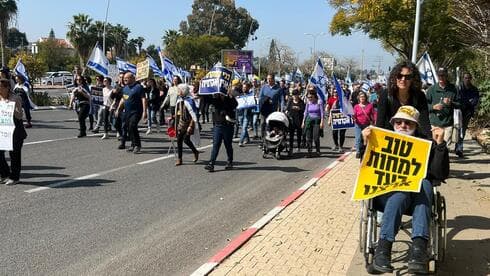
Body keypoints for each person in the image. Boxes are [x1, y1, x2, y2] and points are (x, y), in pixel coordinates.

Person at [362, 105, 449, 274]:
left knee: (425, 183)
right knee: (401, 191)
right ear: (393, 124)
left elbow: (439, 174)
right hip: (385, 195)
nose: (403, 125)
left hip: (417, 198)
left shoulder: (426, 145)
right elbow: (366, 171)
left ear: (416, 126)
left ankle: (418, 250)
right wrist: (366, 143)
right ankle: (383, 249)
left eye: (408, 123)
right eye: (399, 122)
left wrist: (439, 145)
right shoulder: (381, 140)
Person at [376, 61, 431, 139]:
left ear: (413, 79)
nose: (403, 79)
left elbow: (425, 123)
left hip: (412, 139)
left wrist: (430, 141)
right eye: (399, 76)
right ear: (395, 77)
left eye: (407, 77)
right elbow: (380, 123)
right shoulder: (386, 95)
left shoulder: (419, 96)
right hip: (389, 138)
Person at [0, 78, 28, 185]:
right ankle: (4, 173)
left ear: (7, 88)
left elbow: (20, 116)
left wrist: (13, 108)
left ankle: (15, 177)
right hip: (3, 130)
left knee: (14, 155)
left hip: (15, 130)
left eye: (1, 87)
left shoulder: (15, 98)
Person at [205, 90, 238, 172]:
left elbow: (235, 105)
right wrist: (205, 89)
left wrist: (231, 97)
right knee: (216, 145)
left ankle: (230, 161)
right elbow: (207, 99)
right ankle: (211, 163)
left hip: (228, 125)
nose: (221, 94)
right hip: (218, 125)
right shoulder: (216, 99)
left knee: (228, 145)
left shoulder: (229, 99)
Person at [426, 68, 460, 145]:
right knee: (434, 147)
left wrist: (451, 102)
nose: (441, 77)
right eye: (439, 75)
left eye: (443, 75)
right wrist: (433, 107)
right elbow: (424, 106)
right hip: (434, 124)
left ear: (446, 76)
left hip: (447, 125)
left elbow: (460, 105)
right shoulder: (431, 89)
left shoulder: (454, 89)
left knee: (444, 148)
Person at [115, 72, 147, 153]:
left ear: (132, 78)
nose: (125, 79)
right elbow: (123, 99)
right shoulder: (125, 88)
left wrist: (144, 111)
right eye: (124, 78)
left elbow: (143, 99)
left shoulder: (138, 87)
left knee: (132, 126)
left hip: (136, 111)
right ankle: (133, 145)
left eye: (127, 78)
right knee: (128, 128)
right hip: (127, 112)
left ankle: (137, 145)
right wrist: (118, 108)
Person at [454, 72, 479, 157]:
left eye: (468, 78)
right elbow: (458, 99)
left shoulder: (474, 89)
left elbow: (475, 101)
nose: (467, 79)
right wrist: (467, 101)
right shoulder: (459, 88)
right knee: (457, 130)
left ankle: (459, 149)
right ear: (463, 78)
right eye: (465, 78)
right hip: (458, 112)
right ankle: (456, 146)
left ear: (471, 79)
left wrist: (467, 102)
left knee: (463, 130)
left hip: (467, 113)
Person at [174, 83, 199, 166]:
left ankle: (195, 151)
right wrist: (173, 117)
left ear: (183, 91)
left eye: (179, 90)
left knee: (186, 140)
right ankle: (179, 159)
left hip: (188, 124)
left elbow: (193, 114)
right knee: (179, 141)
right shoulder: (179, 100)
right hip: (180, 124)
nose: (178, 91)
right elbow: (178, 112)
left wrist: (191, 126)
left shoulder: (190, 100)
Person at [259, 74, 284, 140]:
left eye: (270, 79)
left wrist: (282, 110)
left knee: (271, 125)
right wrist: (265, 100)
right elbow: (260, 97)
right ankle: (263, 139)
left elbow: (282, 100)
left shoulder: (278, 89)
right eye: (268, 79)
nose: (269, 80)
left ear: (273, 79)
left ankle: (270, 139)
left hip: (273, 110)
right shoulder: (263, 87)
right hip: (264, 109)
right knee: (262, 124)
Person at [352, 91, 375, 158]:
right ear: (358, 98)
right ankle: (358, 152)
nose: (362, 98)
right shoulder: (356, 106)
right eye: (361, 97)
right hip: (358, 125)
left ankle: (367, 151)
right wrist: (353, 118)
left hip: (366, 125)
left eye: (363, 96)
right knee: (358, 139)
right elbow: (354, 114)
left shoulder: (370, 105)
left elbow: (373, 114)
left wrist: (375, 121)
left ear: (366, 97)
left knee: (366, 139)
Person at [302, 88, 324, 157]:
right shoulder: (308, 103)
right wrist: (303, 122)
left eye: (311, 97)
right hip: (309, 121)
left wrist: (322, 122)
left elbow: (322, 113)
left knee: (316, 137)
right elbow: (305, 112)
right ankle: (309, 152)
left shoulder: (319, 102)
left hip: (316, 121)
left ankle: (318, 151)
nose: (309, 98)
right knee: (308, 137)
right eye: (308, 97)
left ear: (314, 96)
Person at [285, 88, 305, 155]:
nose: (295, 96)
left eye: (296, 95)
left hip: (299, 120)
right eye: (293, 95)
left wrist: (299, 108)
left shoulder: (301, 102)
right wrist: (288, 111)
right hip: (291, 120)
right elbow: (287, 109)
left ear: (298, 95)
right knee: (291, 135)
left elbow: (303, 110)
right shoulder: (290, 101)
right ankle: (291, 148)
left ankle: (298, 146)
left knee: (299, 134)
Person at [326, 88, 346, 152]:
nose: (335, 93)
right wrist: (329, 119)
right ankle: (336, 145)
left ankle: (341, 146)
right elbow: (329, 108)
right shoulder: (331, 99)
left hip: (343, 118)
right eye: (334, 92)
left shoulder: (343, 99)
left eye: (337, 92)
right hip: (334, 118)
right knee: (334, 133)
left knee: (342, 133)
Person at [238, 82, 253, 146]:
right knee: (243, 127)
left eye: (245, 87)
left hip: (248, 114)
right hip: (240, 114)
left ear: (248, 88)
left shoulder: (250, 95)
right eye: (243, 87)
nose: (244, 88)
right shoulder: (240, 95)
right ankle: (248, 139)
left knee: (244, 128)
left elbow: (252, 104)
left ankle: (240, 141)